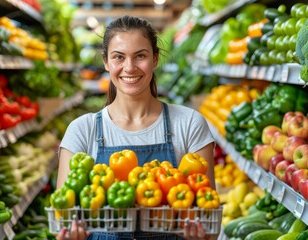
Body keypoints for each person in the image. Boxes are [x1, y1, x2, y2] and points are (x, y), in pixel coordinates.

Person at [56, 15, 216, 240]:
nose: (129, 67)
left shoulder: (189, 124)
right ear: (106, 62)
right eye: (118, 57)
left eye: (140, 56)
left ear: (155, 59)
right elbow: (63, 221)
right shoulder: (82, 130)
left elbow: (211, 225)